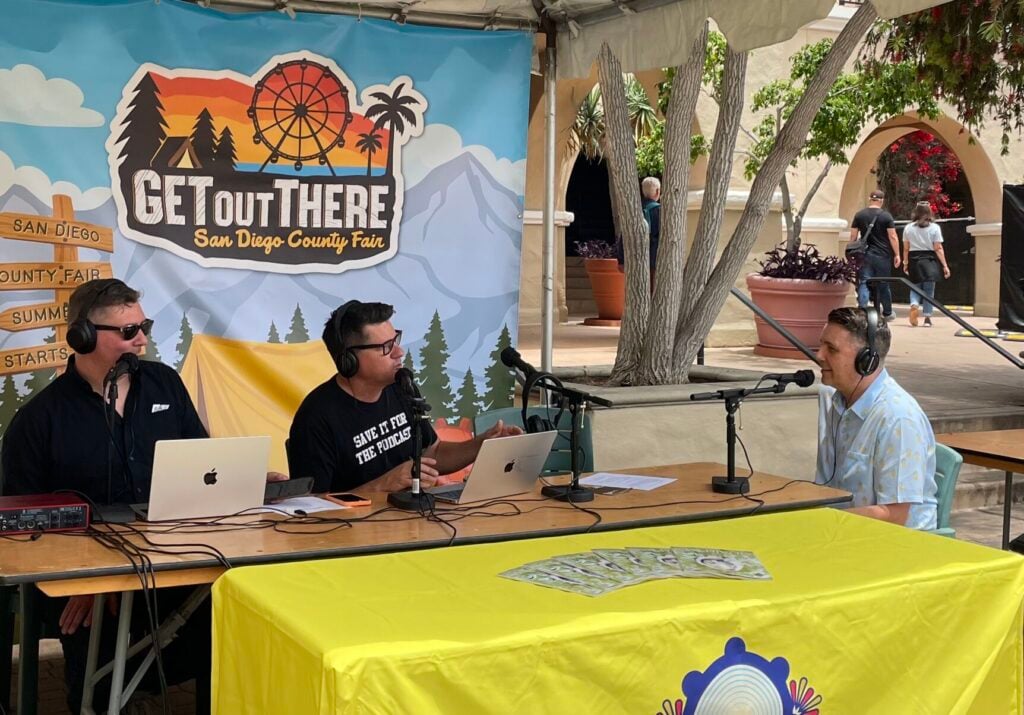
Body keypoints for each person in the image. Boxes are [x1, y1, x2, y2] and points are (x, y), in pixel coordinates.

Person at [0, 278, 224, 713]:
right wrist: (89, 578)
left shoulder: (164, 384)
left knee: (229, 612)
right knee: (94, 636)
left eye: (145, 326)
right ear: (83, 337)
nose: (141, 339)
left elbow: (201, 464)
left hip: (173, 562)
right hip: (83, 582)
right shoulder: (40, 420)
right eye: (127, 331)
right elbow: (21, 525)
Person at [288, 300, 522, 493]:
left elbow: (432, 453)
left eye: (396, 340)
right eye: (386, 347)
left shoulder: (400, 386)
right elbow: (312, 507)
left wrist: (481, 444)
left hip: (408, 525)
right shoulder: (316, 419)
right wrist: (382, 485)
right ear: (349, 360)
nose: (399, 352)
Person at [814, 307, 938, 530]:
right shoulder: (838, 401)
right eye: (821, 345)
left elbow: (894, 515)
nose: (819, 355)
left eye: (831, 349)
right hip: (845, 533)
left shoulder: (898, 418)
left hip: (899, 547)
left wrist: (824, 523)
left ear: (866, 360)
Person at [850, 189, 900, 319]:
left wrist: (853, 252)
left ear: (870, 199)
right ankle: (887, 312)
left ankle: (862, 311)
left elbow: (853, 236)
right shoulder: (886, 216)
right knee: (883, 283)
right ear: (881, 200)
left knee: (864, 282)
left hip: (864, 254)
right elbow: (893, 236)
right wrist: (897, 254)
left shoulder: (859, 215)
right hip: (882, 255)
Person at [902, 201, 951, 327]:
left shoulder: (908, 228)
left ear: (916, 212)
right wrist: (945, 265)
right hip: (929, 259)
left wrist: (905, 262)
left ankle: (914, 304)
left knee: (915, 286)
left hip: (914, 259)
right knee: (929, 289)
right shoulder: (934, 228)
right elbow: (938, 248)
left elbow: (906, 247)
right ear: (930, 212)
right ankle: (927, 318)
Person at [616, 176, 661, 276]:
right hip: (654, 261)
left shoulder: (634, 210)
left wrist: (621, 260)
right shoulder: (660, 211)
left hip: (635, 259)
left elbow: (624, 234)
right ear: (657, 191)